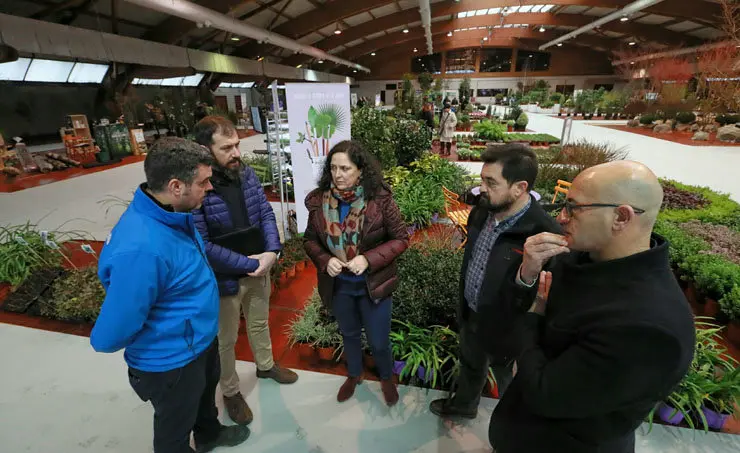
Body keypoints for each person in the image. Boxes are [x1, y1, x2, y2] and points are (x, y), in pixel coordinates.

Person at [489, 160, 696, 453]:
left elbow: (544, 393)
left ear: (621, 217)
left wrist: (535, 317)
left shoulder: (650, 326)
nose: (561, 217)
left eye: (574, 208)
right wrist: (527, 275)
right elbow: (512, 313)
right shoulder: (580, 257)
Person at [90, 138, 250, 453]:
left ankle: (209, 434)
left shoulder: (172, 216)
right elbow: (111, 332)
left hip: (198, 342)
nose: (210, 188)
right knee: (174, 429)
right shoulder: (142, 247)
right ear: (176, 186)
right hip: (171, 361)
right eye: (203, 182)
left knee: (203, 401)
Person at [429, 144, 561, 420]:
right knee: (470, 365)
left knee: (512, 386)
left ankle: (513, 432)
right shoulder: (482, 211)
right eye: (481, 179)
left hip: (510, 332)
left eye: (491, 182)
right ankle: (464, 405)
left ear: (519, 187)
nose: (481, 189)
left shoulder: (543, 235)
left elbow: (548, 298)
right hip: (473, 313)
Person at [192, 116, 298, 426]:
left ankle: (265, 365)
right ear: (205, 149)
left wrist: (272, 251)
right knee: (226, 339)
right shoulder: (198, 188)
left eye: (237, 144)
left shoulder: (246, 175)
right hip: (225, 278)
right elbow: (204, 244)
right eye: (226, 148)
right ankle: (230, 391)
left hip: (258, 268)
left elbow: (265, 213)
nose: (236, 153)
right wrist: (251, 264)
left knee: (259, 322)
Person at [303, 140, 409, 406]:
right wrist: (325, 259)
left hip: (373, 285)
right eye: (334, 168)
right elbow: (309, 240)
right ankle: (354, 373)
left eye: (346, 168)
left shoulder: (380, 200)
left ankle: (386, 377)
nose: (338, 174)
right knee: (348, 333)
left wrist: (368, 259)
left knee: (378, 340)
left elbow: (401, 239)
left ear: (361, 171)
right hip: (339, 285)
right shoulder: (319, 201)